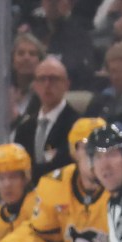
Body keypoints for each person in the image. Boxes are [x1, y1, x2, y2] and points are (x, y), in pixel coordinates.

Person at [0, 117, 113, 242]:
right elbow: (43, 237)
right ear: (75, 151)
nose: (96, 155)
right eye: (88, 147)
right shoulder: (55, 185)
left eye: (103, 148)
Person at [12, 56, 79, 184]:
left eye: (54, 79)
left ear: (66, 84)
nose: (47, 85)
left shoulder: (76, 126)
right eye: (42, 79)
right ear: (35, 86)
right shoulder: (24, 128)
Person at [18, 0, 97, 92]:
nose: (52, 5)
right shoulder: (35, 30)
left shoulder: (79, 34)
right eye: (49, 2)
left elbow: (78, 69)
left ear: (68, 4)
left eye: (56, 1)